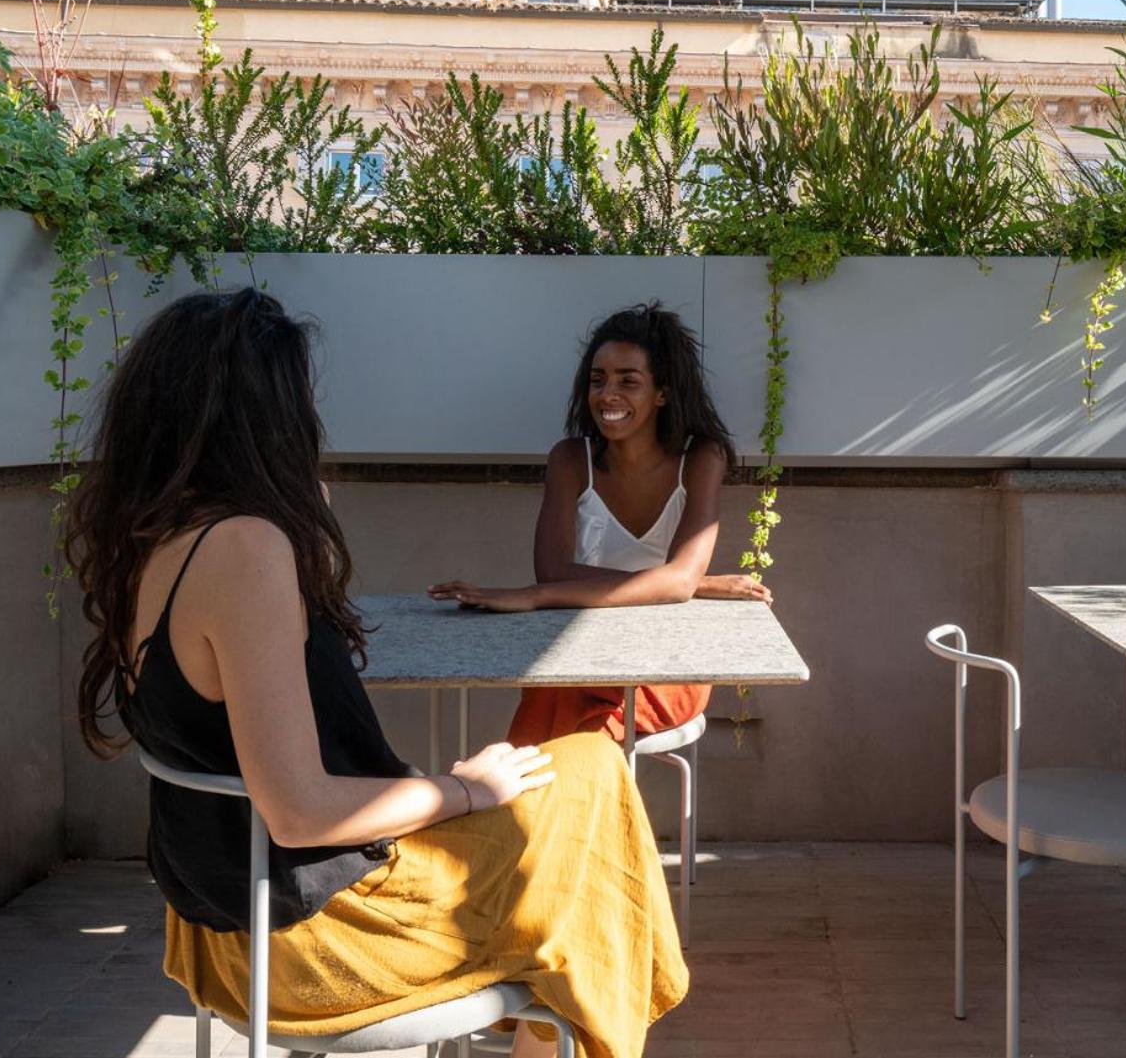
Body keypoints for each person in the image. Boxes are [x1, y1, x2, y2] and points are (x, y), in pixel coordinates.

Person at [69, 289, 685, 1058]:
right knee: (590, 785)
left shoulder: (155, 539)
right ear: (264, 416)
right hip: (321, 940)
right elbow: (298, 812)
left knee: (579, 791)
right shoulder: (243, 548)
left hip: (225, 927)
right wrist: (464, 789)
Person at [427, 302, 770, 747]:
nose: (607, 394)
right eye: (598, 380)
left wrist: (533, 597)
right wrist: (689, 584)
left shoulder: (702, 458)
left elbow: (670, 582)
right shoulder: (571, 459)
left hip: (670, 661)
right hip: (583, 652)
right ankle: (544, 792)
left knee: (577, 717)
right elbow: (554, 571)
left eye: (628, 381)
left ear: (662, 392)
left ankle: (518, 792)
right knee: (560, 696)